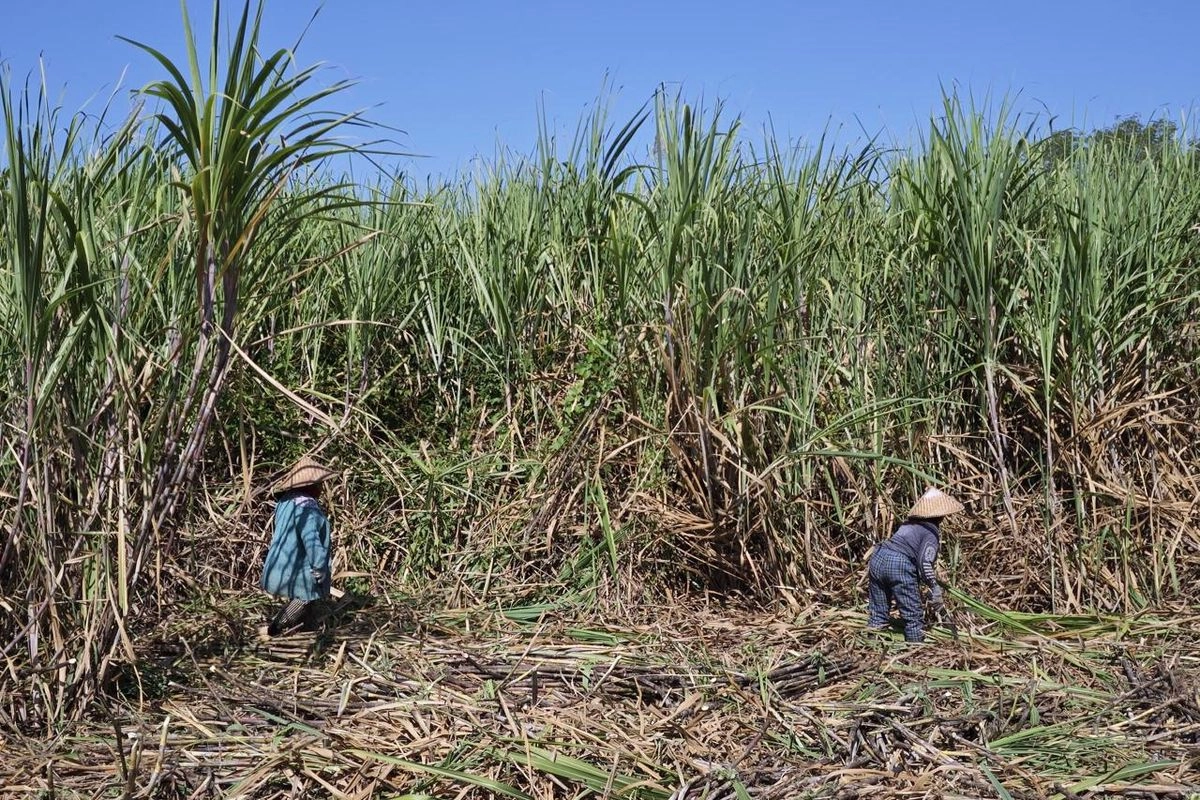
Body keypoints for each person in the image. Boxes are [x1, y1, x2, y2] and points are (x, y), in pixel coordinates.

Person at [866, 487, 964, 642]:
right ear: (940, 516)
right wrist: (934, 587)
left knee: (877, 615)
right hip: (897, 564)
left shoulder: (908, 524)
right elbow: (924, 563)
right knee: (913, 618)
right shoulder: (930, 532)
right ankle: (915, 652)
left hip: (878, 557)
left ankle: (870, 648)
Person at [261, 456, 336, 635]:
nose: (321, 489)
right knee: (305, 597)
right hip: (297, 567)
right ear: (310, 486)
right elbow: (311, 541)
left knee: (308, 601)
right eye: (319, 484)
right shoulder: (307, 508)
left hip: (280, 563)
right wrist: (319, 567)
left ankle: (308, 628)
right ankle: (275, 629)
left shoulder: (286, 501)